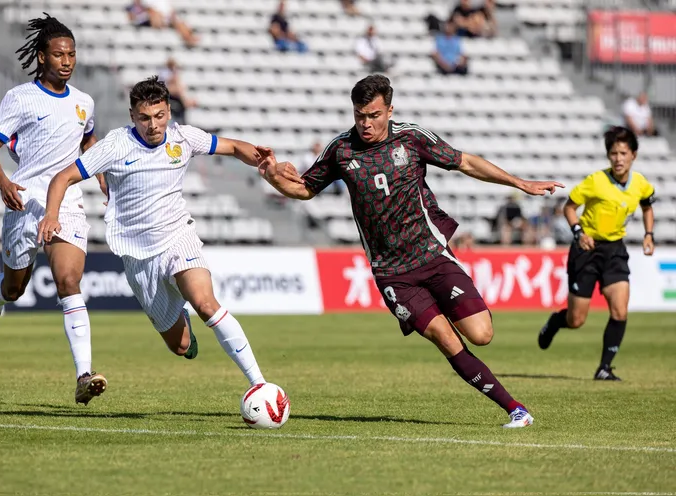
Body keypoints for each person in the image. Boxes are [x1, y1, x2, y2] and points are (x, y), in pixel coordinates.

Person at [259, 75, 564, 428]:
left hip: (432, 255)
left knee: (481, 334)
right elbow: (304, 189)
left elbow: (465, 162)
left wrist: (520, 183)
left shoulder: (412, 138)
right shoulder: (341, 150)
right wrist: (271, 175)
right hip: (393, 273)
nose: (366, 123)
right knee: (444, 337)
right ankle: (516, 409)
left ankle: (450, 318)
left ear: (390, 109)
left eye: (374, 115)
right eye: (360, 116)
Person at [37, 77, 300, 388]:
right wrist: (51, 215)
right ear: (133, 115)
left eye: (159, 116)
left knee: (206, 303)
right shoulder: (114, 145)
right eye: (145, 118)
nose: (153, 125)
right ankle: (182, 325)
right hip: (138, 255)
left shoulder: (183, 138)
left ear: (169, 113)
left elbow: (232, 146)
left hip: (178, 237)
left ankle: (260, 384)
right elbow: (63, 177)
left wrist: (266, 163)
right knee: (181, 346)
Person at [0, 14, 107, 406]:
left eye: (72, 54)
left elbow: (88, 137)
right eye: (58, 54)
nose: (67, 61)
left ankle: (84, 374)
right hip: (26, 199)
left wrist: (98, 170)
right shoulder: (19, 98)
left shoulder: (84, 102)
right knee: (16, 287)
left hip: (67, 200)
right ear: (42, 57)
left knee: (68, 279)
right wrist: (4, 184)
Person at [538, 127, 656, 381]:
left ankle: (604, 368)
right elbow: (569, 208)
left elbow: (647, 206)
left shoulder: (641, 184)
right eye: (613, 153)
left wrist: (649, 234)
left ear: (633, 155)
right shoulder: (595, 181)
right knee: (577, 319)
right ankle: (556, 322)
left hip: (615, 250)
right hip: (586, 250)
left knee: (620, 311)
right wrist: (579, 232)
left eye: (623, 153)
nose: (618, 158)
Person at [159, 57, 197, 124]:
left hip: (175, 98)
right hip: (169, 96)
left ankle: (185, 101)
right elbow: (167, 86)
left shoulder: (172, 74)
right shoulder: (165, 73)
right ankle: (186, 101)